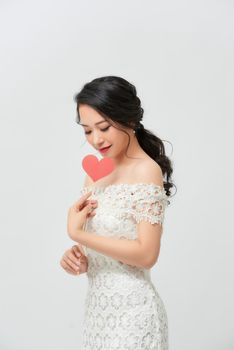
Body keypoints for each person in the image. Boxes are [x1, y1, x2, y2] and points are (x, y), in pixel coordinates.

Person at [60, 76, 175, 349]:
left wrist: (78, 234)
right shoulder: (95, 174)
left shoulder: (146, 170)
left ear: (129, 121)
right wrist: (78, 258)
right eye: (87, 131)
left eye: (104, 127)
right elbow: (101, 247)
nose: (96, 139)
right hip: (97, 316)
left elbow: (147, 255)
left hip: (134, 318)